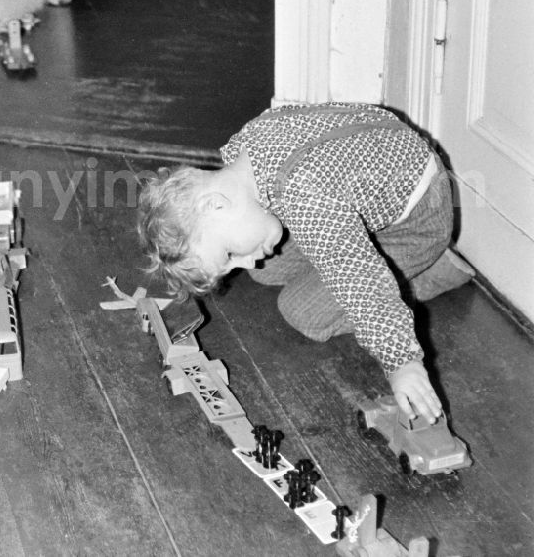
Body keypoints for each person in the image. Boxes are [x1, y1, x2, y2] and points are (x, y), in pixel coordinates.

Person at [137, 102, 475, 424]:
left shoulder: (307, 197)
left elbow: (358, 277)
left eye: (229, 254)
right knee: (269, 269)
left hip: (415, 224)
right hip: (386, 163)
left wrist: (402, 362)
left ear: (215, 206)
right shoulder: (249, 147)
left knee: (302, 311)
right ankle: (350, 246)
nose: (246, 263)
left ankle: (432, 267)